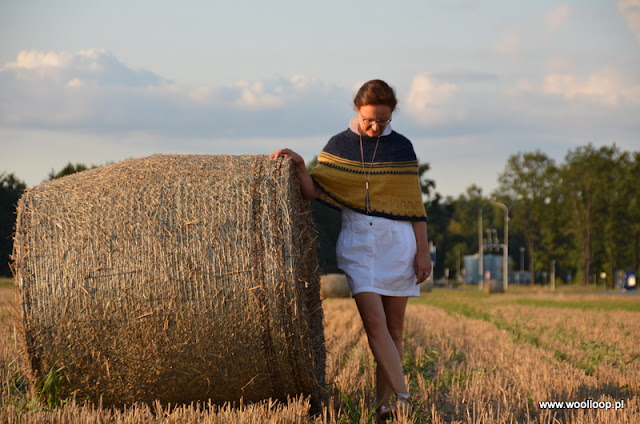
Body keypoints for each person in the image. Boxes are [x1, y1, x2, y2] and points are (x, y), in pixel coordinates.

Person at [270, 79, 431, 420]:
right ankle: (404, 396)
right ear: (357, 110)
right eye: (370, 119)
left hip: (398, 244)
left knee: (395, 330)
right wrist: (300, 164)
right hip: (358, 245)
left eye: (383, 121)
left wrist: (422, 252)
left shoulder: (401, 148)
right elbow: (314, 191)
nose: (375, 127)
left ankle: (384, 406)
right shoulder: (339, 145)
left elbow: (413, 206)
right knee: (375, 324)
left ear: (392, 116)